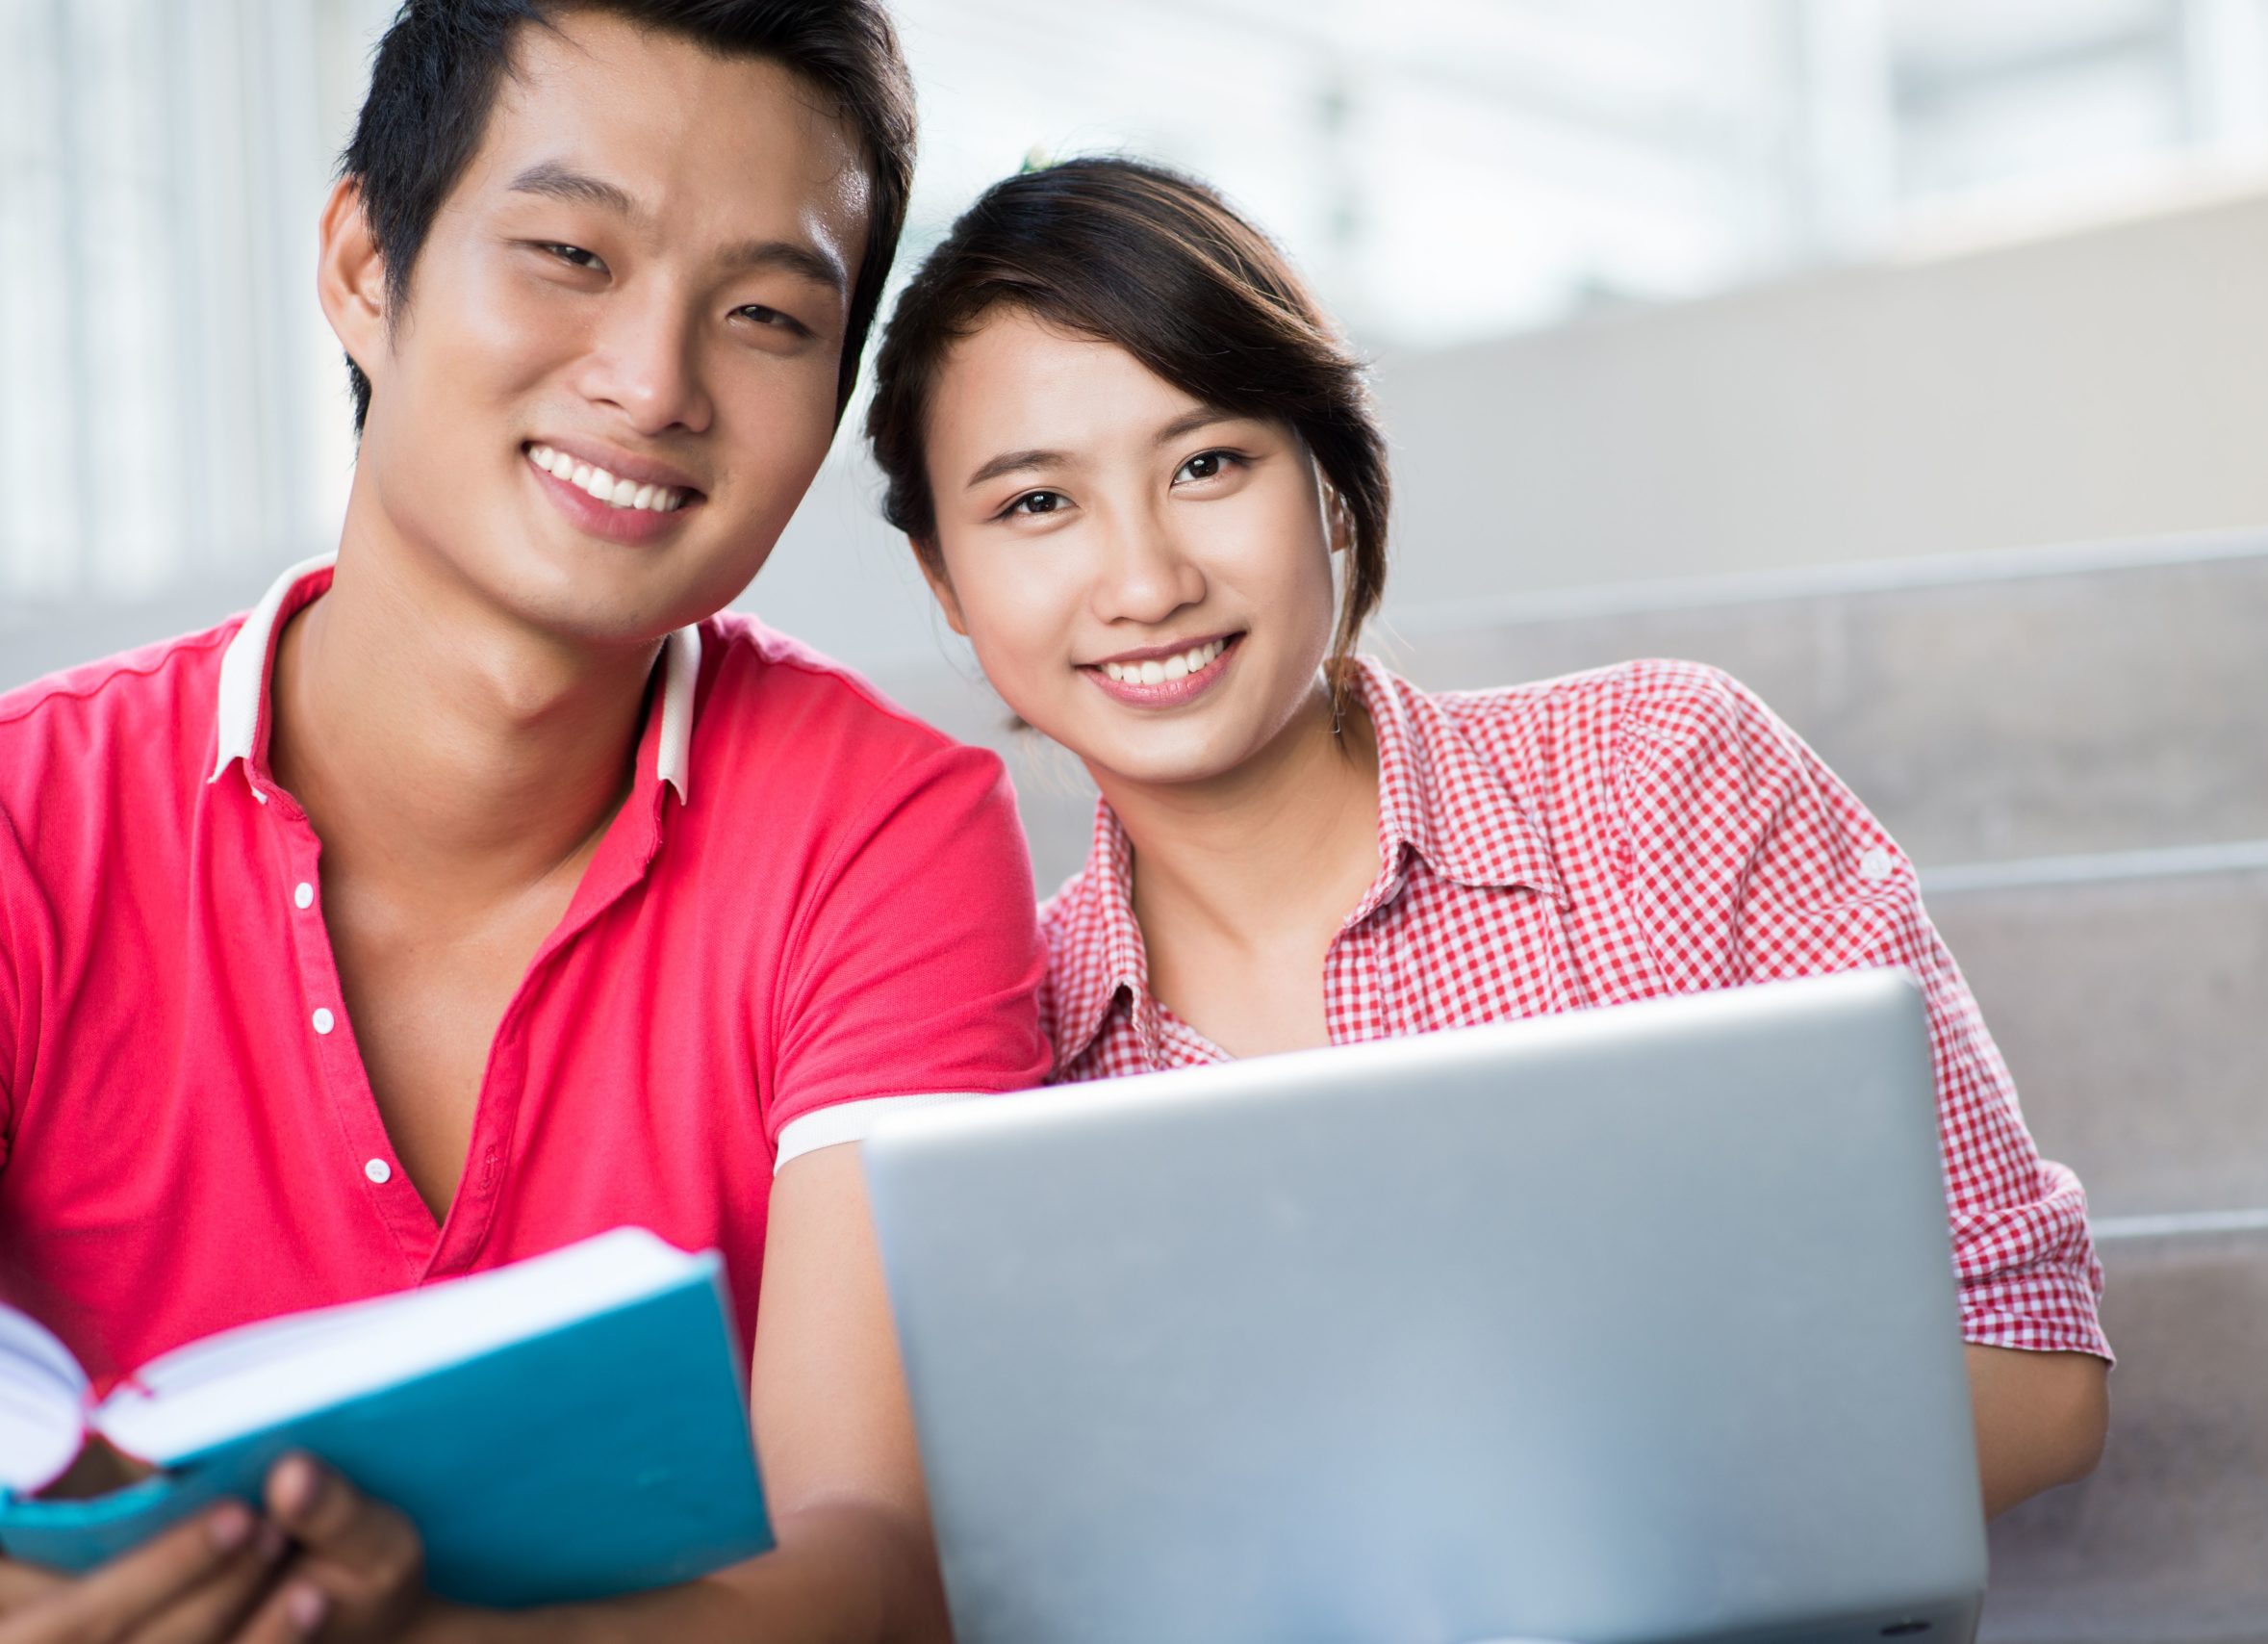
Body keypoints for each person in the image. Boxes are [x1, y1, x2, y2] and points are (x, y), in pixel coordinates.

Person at [0, 4, 1045, 1640]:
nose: (652, 384)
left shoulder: (883, 829)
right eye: (570, 252)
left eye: (766, 313)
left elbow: (877, 1574)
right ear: (365, 265)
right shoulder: (24, 823)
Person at [863, 156, 2112, 1522]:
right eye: (1037, 504)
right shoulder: (1005, 1064)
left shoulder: (1659, 786)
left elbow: (2034, 1373)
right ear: (947, 582)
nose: (1149, 580)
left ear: (1332, 487)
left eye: (1209, 463)